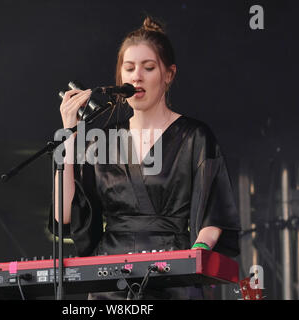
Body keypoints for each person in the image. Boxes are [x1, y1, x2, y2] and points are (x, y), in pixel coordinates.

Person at [50, 16, 240, 300]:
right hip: (109, 280)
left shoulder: (195, 136)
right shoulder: (101, 141)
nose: (136, 76)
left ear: (169, 74)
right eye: (129, 68)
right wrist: (68, 132)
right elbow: (63, 214)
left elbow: (214, 212)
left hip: (172, 275)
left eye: (148, 68)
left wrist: (196, 254)